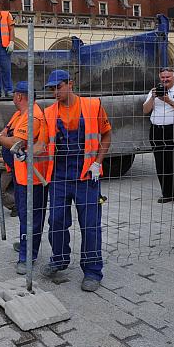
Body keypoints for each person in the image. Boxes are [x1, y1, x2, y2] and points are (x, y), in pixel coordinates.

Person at [42, 70, 111, 292]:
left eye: (58, 87)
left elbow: (107, 135)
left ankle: (92, 271)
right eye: (51, 89)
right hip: (59, 177)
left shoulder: (93, 106)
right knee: (57, 221)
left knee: (90, 226)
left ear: (71, 84)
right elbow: (42, 143)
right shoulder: (49, 112)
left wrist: (98, 162)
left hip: (87, 177)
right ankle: (60, 258)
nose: (55, 92)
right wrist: (22, 149)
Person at [0, 81, 50, 274]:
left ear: (20, 96)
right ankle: (27, 244)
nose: (13, 97)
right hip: (21, 174)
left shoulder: (33, 117)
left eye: (14, 94)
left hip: (34, 177)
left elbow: (15, 142)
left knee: (31, 216)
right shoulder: (18, 115)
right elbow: (7, 133)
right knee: (25, 214)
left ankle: (27, 255)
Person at [142, 67, 174, 203]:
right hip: (157, 131)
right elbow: (145, 110)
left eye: (168, 77)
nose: (165, 80)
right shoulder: (154, 91)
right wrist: (154, 97)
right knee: (161, 163)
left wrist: (168, 100)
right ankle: (166, 193)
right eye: (163, 77)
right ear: (159, 77)